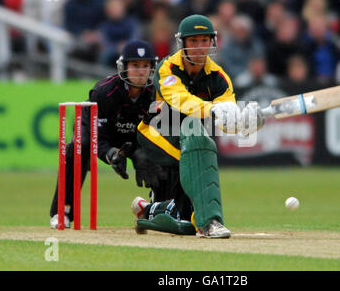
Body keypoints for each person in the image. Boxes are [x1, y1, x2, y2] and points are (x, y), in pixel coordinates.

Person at [130, 14, 264, 238]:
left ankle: (151, 209)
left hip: (188, 138)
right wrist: (212, 109)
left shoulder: (220, 78)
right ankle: (210, 222)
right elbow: (180, 100)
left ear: (212, 42)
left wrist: (243, 122)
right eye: (194, 41)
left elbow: (226, 118)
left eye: (205, 40)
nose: (200, 47)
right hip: (155, 133)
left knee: (184, 219)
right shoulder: (167, 68)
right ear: (182, 43)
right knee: (198, 147)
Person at [49, 40, 158, 228]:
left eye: (145, 66)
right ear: (123, 67)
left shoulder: (155, 94)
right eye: (135, 65)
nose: (141, 71)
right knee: (78, 147)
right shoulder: (104, 91)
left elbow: (154, 131)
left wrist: (142, 151)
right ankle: (63, 211)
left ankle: (159, 209)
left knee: (160, 155)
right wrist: (110, 154)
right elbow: (97, 136)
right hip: (93, 129)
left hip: (132, 135)